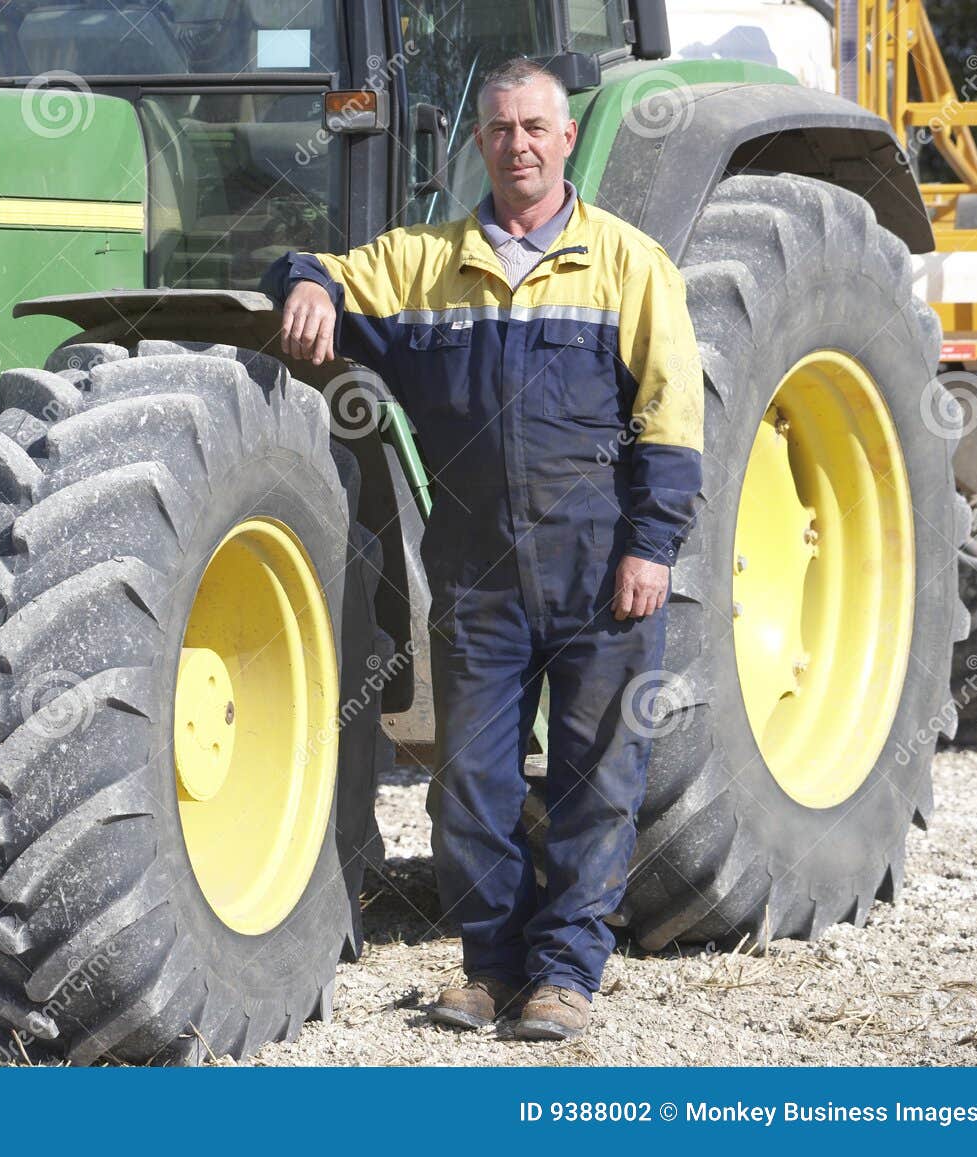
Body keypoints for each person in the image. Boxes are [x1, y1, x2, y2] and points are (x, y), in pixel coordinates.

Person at [259, 57, 703, 1040]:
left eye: (536, 126)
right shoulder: (425, 261)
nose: (519, 144)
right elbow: (316, 271)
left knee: (595, 779)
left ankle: (563, 974)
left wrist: (650, 547)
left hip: (601, 570)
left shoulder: (630, 265)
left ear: (567, 136)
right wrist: (303, 285)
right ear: (478, 141)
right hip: (477, 574)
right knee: (472, 782)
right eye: (500, 128)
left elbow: (671, 421)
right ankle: (488, 967)